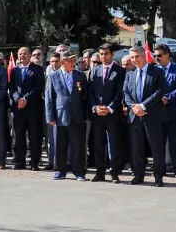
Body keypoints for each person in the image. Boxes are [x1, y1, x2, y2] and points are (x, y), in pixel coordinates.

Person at [123, 45, 167, 186]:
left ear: (144, 56)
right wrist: (134, 107)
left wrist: (143, 106)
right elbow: (126, 92)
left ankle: (158, 177)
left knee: (156, 147)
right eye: (132, 57)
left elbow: (160, 91)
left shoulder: (157, 72)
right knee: (136, 148)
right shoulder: (130, 74)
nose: (135, 60)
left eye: (137, 56)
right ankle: (138, 175)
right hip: (135, 116)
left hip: (152, 115)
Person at [46, 51, 89, 180]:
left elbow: (85, 97)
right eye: (70, 60)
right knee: (60, 144)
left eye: (74, 60)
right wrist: (50, 117)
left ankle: (79, 171)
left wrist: (86, 115)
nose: (73, 63)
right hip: (60, 116)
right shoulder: (53, 76)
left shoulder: (80, 76)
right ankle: (60, 170)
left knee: (78, 145)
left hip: (77, 116)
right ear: (63, 62)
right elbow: (49, 98)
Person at [88, 43, 125, 182]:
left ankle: (114, 173)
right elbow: (90, 92)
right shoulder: (95, 71)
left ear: (112, 54)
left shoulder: (120, 71)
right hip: (97, 114)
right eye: (101, 54)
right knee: (98, 144)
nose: (103, 57)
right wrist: (95, 107)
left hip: (112, 114)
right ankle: (99, 172)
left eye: (106, 54)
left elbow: (120, 92)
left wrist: (109, 108)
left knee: (113, 144)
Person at [153, 44, 176, 178]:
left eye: (159, 55)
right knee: (158, 143)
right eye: (155, 56)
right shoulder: (153, 70)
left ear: (168, 55)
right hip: (157, 112)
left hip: (173, 111)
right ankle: (160, 168)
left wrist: (168, 98)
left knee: (175, 142)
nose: (157, 58)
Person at [10, 46, 45, 170]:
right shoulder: (14, 71)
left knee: (34, 136)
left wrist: (25, 98)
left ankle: (34, 162)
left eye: (24, 54)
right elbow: (12, 88)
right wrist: (18, 99)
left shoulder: (38, 70)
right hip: (19, 109)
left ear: (30, 55)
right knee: (19, 137)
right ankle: (20, 161)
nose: (22, 56)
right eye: (20, 54)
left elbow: (38, 87)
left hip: (33, 108)